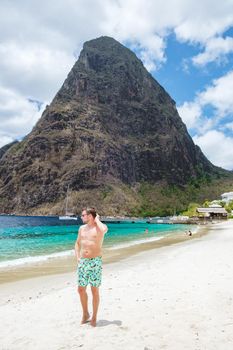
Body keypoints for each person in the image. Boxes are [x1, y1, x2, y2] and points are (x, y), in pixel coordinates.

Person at [75, 207, 108, 327]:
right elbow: (77, 243)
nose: (81, 217)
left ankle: (94, 317)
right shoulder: (81, 228)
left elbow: (104, 229)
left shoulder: (99, 228)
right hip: (83, 262)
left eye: (83, 215)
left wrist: (97, 219)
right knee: (80, 289)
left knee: (94, 290)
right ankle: (85, 314)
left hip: (95, 262)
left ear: (90, 216)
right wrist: (78, 257)